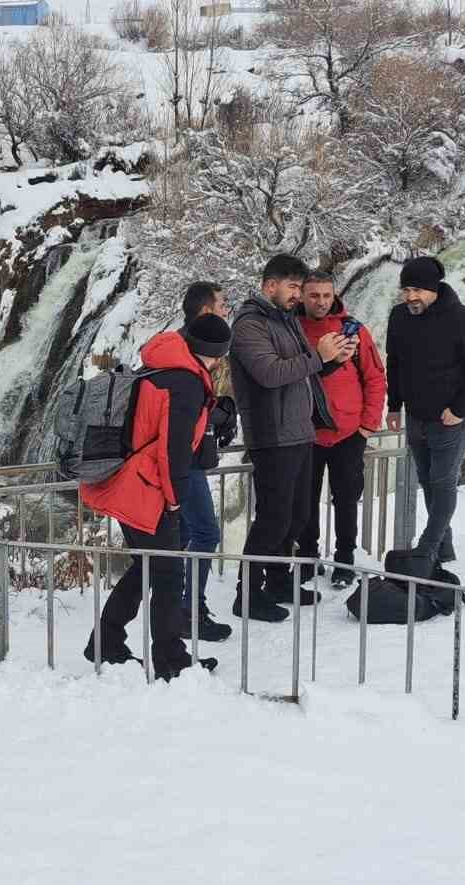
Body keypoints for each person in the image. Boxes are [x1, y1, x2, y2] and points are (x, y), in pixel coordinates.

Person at [79, 314, 231, 676]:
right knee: (168, 574)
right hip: (146, 489)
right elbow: (173, 447)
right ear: (216, 354)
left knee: (148, 567)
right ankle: (170, 661)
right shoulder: (187, 383)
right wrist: (175, 497)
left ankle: (106, 642)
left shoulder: (158, 365)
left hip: (122, 479)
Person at [229, 254, 349, 621]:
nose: (298, 294)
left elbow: (301, 371)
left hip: (299, 431)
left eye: (300, 287)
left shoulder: (284, 321)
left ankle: (278, 582)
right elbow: (269, 373)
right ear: (270, 286)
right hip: (271, 435)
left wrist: (332, 360)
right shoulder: (249, 325)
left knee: (297, 517)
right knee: (273, 519)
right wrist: (317, 356)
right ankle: (246, 594)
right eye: (293, 287)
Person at [386, 257, 465, 572]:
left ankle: (427, 549)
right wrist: (394, 405)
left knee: (442, 481)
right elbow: (394, 361)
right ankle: (444, 547)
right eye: (406, 289)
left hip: (450, 419)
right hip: (415, 415)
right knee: (427, 481)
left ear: (434, 289)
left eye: (417, 290)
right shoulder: (399, 317)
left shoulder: (464, 320)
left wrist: (459, 410)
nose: (410, 297)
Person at [295, 272, 386, 587]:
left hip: (348, 433)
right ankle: (308, 556)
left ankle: (345, 558)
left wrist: (366, 426)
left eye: (326, 295)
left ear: (334, 295)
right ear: (303, 296)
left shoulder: (353, 330)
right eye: (314, 295)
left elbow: (375, 377)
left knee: (346, 499)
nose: (321, 301)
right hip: (305, 433)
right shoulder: (292, 330)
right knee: (304, 499)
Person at [176, 282, 233, 642]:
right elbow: (185, 411)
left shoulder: (178, 346)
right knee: (206, 532)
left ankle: (178, 605)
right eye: (223, 305)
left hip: (186, 458)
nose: (227, 309)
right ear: (207, 312)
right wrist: (217, 415)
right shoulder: (191, 353)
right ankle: (189, 610)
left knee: (184, 533)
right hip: (185, 461)